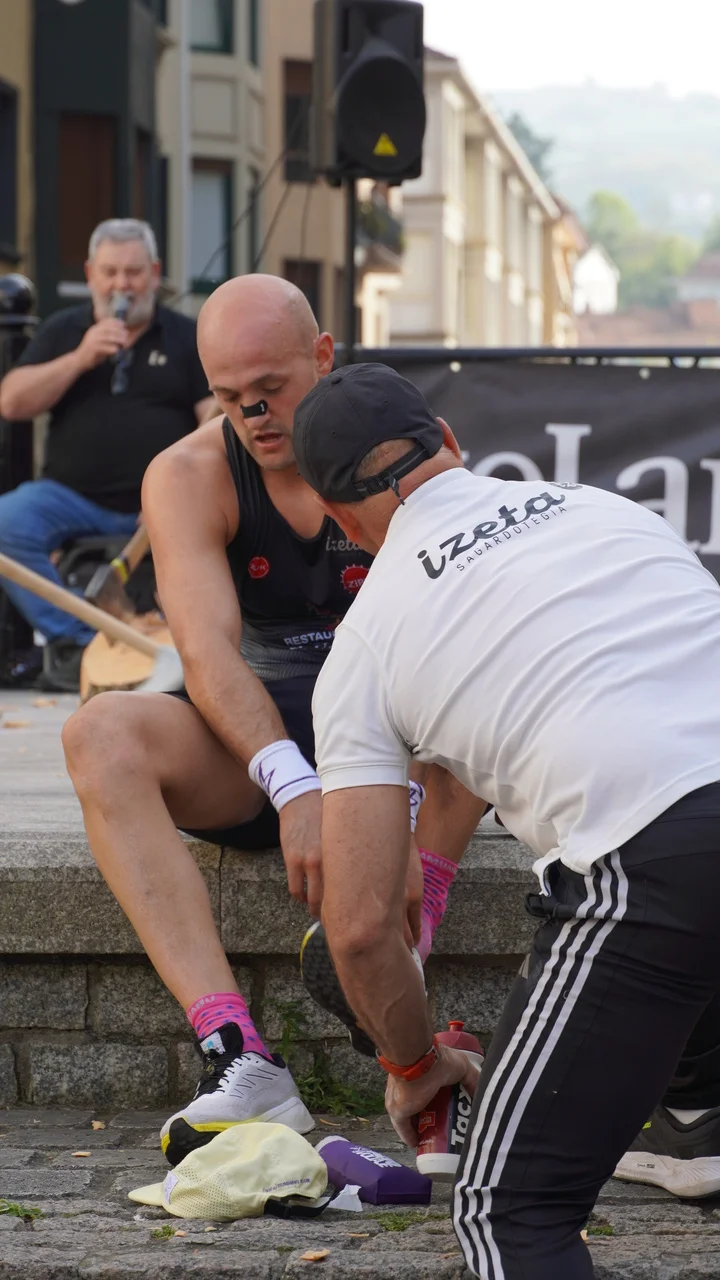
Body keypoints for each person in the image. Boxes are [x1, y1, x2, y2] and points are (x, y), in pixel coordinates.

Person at [294, 361, 720, 1280]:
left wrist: (414, 1065)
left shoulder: (364, 646)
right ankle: (702, 1103)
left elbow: (359, 928)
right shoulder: (608, 509)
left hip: (657, 853)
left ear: (337, 518)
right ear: (450, 440)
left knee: (506, 1214)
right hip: (688, 828)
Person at [61, 275, 483, 1169]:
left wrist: (397, 824)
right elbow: (206, 654)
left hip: (399, 728)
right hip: (268, 732)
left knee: (479, 687)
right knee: (98, 734)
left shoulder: (396, 447)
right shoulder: (187, 474)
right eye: (228, 396)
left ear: (323, 356)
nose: (254, 414)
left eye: (271, 387)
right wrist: (292, 786)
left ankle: (412, 936)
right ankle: (239, 1055)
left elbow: (455, 640)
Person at [0, 218, 214, 687]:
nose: (122, 285)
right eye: (110, 272)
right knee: (6, 522)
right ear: (90, 275)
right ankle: (83, 642)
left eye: (133, 272)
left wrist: (173, 489)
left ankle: (186, 645)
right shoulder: (65, 330)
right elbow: (12, 401)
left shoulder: (184, 335)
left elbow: (214, 420)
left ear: (154, 273)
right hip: (71, 496)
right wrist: (80, 358)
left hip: (162, 500)